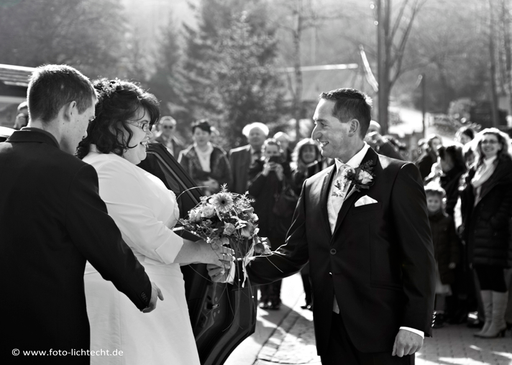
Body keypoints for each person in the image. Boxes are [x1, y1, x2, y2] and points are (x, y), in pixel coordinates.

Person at [213, 88, 436, 364]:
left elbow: (419, 255)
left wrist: (414, 324)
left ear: (352, 126)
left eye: (322, 123)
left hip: (384, 330)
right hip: (331, 331)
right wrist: (236, 268)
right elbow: (293, 253)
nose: (314, 134)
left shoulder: (398, 175)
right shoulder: (312, 186)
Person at [0, 65, 162, 364]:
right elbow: (103, 242)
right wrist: (143, 289)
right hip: (46, 331)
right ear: (70, 110)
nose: (87, 131)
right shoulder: (71, 173)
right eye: (87, 119)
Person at [77, 79, 234, 365]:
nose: (150, 134)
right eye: (143, 125)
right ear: (113, 125)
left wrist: (206, 236)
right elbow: (150, 238)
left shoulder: (122, 168)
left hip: (156, 294)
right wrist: (205, 251)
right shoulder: (104, 169)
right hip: (127, 299)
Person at [460, 128, 512, 339]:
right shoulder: (477, 167)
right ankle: (489, 321)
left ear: (501, 145)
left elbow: (509, 199)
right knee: (483, 274)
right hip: (476, 229)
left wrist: (495, 222)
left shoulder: (507, 167)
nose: (487, 145)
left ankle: (498, 322)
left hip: (495, 230)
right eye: (484, 142)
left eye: (492, 142)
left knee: (495, 275)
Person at [248, 138, 293, 310]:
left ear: (280, 153)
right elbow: (252, 191)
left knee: (277, 256)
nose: (272, 157)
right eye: (269, 152)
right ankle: (263, 296)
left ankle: (275, 297)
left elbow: (293, 190)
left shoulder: (287, 168)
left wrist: (282, 176)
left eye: (275, 153)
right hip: (261, 219)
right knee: (260, 255)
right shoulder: (258, 167)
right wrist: (264, 173)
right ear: (263, 153)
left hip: (279, 220)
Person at [290, 137, 325, 310]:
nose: (309, 154)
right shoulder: (295, 172)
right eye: (306, 151)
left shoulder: (322, 168)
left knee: (316, 262)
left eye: (312, 151)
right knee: (304, 263)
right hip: (300, 219)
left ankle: (316, 298)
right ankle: (308, 298)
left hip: (317, 219)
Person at [424, 183, 459, 329]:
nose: (433, 204)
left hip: (441, 261)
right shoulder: (422, 219)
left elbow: (453, 242)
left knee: (441, 288)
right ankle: (427, 314)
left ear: (441, 203)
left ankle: (439, 314)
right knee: (427, 288)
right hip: (426, 260)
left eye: (436, 201)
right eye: (430, 201)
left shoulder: (447, 220)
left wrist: (453, 259)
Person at [178, 119, 232, 195]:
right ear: (193, 135)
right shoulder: (186, 155)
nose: (201, 136)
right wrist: (203, 185)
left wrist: (217, 185)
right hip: (193, 197)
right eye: (198, 133)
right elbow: (181, 179)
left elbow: (228, 177)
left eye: (204, 133)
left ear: (209, 135)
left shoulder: (219, 153)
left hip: (218, 198)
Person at [228, 122, 269, 194]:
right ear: (247, 138)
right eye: (252, 134)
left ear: (264, 137)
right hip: (242, 198)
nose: (254, 136)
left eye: (257, 134)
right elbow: (230, 179)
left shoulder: (272, 153)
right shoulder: (236, 154)